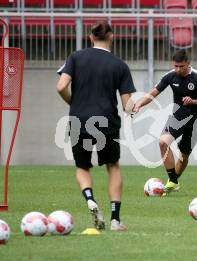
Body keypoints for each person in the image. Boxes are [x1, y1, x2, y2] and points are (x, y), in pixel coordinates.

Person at [56, 21, 136, 231]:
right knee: (113, 166)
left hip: (78, 120)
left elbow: (61, 86)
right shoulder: (119, 65)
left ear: (91, 37)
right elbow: (128, 105)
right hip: (106, 122)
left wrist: (72, 102)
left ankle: (90, 199)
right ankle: (115, 220)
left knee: (83, 167)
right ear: (112, 37)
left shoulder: (76, 57)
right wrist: (134, 108)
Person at [133, 49, 197, 194]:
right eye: (175, 66)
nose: (178, 69)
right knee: (163, 142)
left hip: (196, 121)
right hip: (178, 118)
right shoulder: (170, 76)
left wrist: (194, 101)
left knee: (183, 156)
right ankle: (172, 180)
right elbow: (154, 92)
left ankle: (173, 182)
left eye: (181, 66)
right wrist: (139, 103)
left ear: (188, 63)